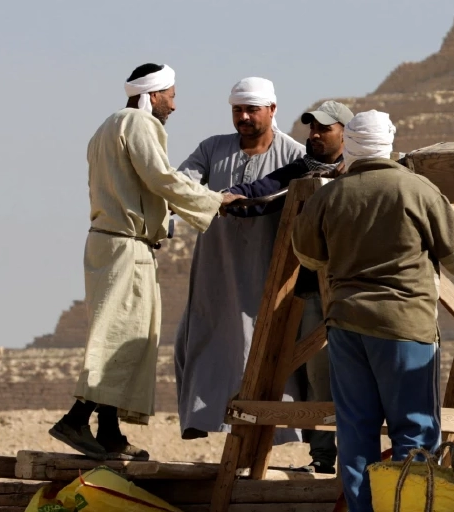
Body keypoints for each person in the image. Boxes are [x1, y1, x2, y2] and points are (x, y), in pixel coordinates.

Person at [292, 111, 454, 512]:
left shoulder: (330, 196)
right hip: (404, 329)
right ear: (390, 142)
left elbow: (308, 254)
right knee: (412, 429)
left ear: (352, 145)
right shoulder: (417, 190)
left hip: (345, 327)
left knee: (355, 430)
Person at [50, 64, 223, 459]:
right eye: (172, 96)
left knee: (126, 337)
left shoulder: (106, 128)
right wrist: (214, 201)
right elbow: (161, 178)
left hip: (108, 245)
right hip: (127, 247)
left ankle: (109, 433)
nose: (174, 106)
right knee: (122, 339)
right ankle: (76, 420)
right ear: (154, 93)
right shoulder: (139, 125)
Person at [217, 99, 354, 473]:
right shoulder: (303, 169)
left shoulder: (364, 169)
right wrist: (228, 198)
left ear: (346, 132)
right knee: (318, 374)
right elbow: (263, 192)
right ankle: (324, 458)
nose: (314, 135)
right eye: (311, 128)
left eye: (324, 129)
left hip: (361, 290)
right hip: (315, 288)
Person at [173, 77, 304, 439]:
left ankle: (274, 435)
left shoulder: (293, 155)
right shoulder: (213, 148)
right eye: (237, 110)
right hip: (216, 268)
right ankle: (203, 419)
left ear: (272, 110)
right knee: (200, 339)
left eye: (251, 110)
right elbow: (182, 185)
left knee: (262, 348)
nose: (244, 117)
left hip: (267, 269)